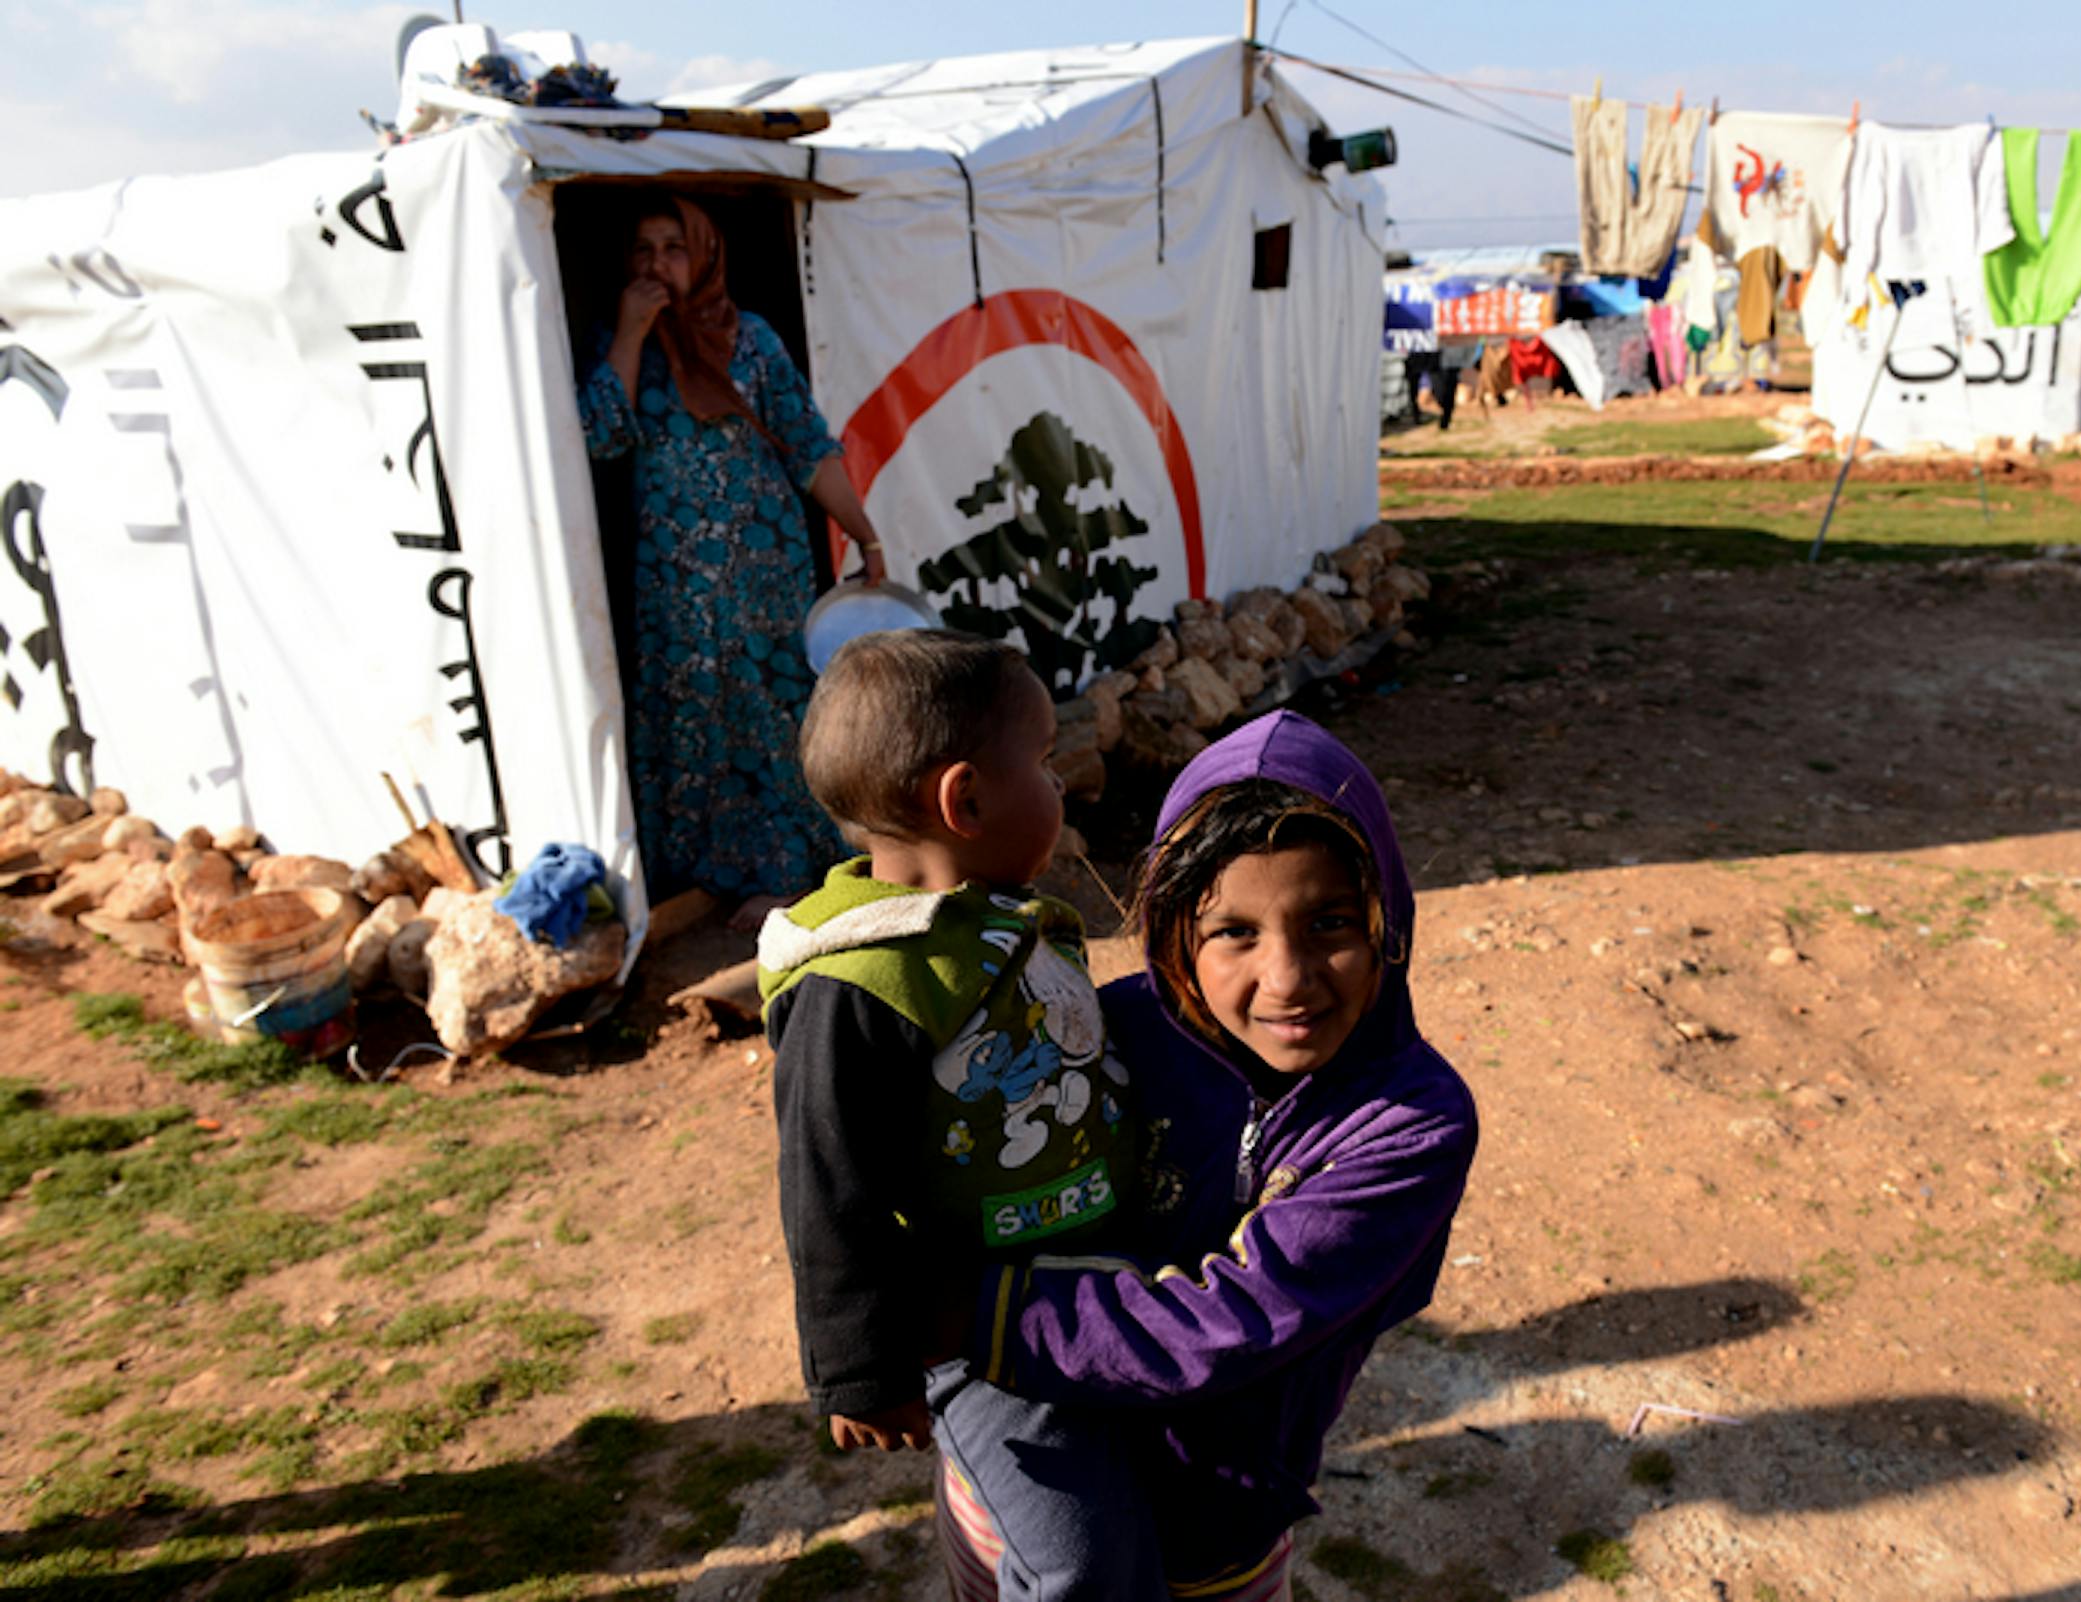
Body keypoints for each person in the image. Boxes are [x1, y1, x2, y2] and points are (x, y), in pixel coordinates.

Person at [942, 711, 1479, 1599]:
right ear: (1172, 933)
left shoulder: (1408, 1125)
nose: (1288, 979)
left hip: (1211, 1538)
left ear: (1389, 917)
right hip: (1020, 1500)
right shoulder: (1098, 1033)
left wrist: (968, 1315)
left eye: (1331, 923)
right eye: (1235, 932)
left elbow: (1229, 1320)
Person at [759, 628, 1160, 1602]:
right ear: (966, 799)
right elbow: (827, 1188)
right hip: (987, 1334)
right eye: (1045, 768)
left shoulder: (991, 919)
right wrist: (861, 1373)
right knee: (1086, 1566)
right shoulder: (863, 982)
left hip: (1090, 1280)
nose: (1061, 789)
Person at [579, 195, 890, 901]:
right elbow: (601, 435)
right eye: (644, 250)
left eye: (674, 247)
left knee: (772, 708)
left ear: (706, 256)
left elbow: (808, 448)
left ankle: (788, 871)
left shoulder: (750, 339)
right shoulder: (617, 340)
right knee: (690, 712)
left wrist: (865, 532)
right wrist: (631, 333)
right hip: (674, 574)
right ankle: (701, 877)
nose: (658, 264)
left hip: (764, 567)